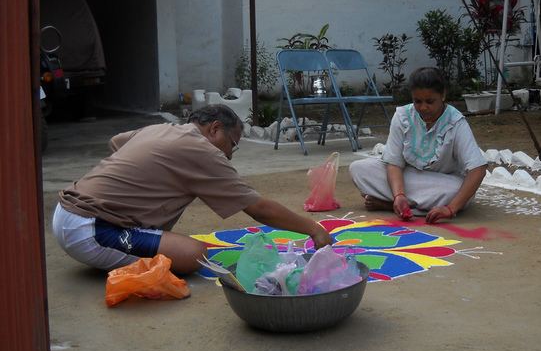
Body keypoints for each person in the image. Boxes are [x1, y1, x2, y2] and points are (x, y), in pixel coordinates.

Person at [52, 104, 332, 273]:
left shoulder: (163, 129)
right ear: (214, 129)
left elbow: (116, 142)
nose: (230, 155)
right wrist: (314, 229)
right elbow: (257, 208)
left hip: (66, 213)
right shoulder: (202, 151)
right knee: (194, 254)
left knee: (176, 244)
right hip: (90, 230)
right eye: (232, 144)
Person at [349, 67, 487, 223]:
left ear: (443, 95)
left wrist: (450, 208)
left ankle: (391, 205)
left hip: (443, 183)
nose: (423, 107)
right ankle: (401, 203)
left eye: (430, 101)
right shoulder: (402, 116)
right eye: (417, 101)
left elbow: (478, 169)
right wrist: (399, 195)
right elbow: (393, 163)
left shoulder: (455, 121)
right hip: (406, 177)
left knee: (457, 191)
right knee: (358, 169)